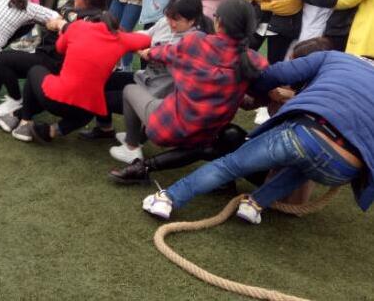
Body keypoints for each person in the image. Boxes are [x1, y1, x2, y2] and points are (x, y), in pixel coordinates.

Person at [143, 50, 374, 224]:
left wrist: (259, 92)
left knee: (230, 166)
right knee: (303, 166)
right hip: (343, 170)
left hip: (307, 133)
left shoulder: (335, 57)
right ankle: (254, 204)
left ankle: (168, 198)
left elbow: (278, 74)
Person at [108, 0, 267, 164]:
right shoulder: (255, 61)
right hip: (208, 134)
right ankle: (135, 136)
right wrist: (239, 98)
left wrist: (147, 52)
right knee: (160, 98)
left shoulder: (197, 42)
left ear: (218, 21)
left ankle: (132, 148)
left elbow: (164, 53)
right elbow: (259, 98)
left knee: (130, 90)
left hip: (171, 128)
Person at [0, 0, 152, 143]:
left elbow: (60, 47)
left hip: (56, 97)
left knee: (36, 71)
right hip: (84, 110)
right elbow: (145, 39)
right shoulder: (118, 36)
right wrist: (146, 50)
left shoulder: (76, 27)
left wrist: (62, 27)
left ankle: (24, 121)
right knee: (95, 94)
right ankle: (53, 129)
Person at [80, 0, 212, 141]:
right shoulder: (165, 22)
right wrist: (118, 36)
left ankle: (135, 140)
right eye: (169, 17)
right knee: (105, 80)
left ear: (192, 21)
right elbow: (145, 35)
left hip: (161, 90)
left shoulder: (193, 41)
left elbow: (162, 55)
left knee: (103, 98)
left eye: (177, 20)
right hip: (147, 77)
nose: (171, 23)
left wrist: (144, 51)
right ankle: (106, 129)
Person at [0, 0, 111, 120]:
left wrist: (61, 25)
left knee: (5, 59)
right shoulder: (73, 5)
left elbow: (75, 34)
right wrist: (56, 23)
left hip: (58, 63)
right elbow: (54, 18)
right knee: (3, 59)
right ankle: (18, 107)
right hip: (45, 53)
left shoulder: (97, 19)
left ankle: (18, 106)